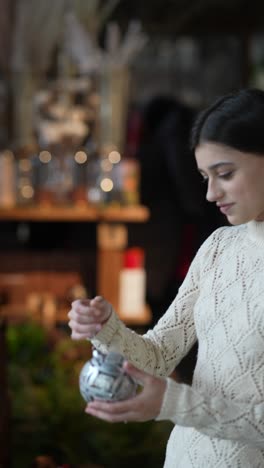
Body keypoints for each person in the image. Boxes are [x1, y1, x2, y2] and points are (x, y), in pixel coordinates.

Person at [68, 88, 264, 467]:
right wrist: (107, 329)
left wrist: (175, 403)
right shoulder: (219, 247)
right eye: (205, 176)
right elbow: (158, 355)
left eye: (225, 173)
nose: (210, 194)